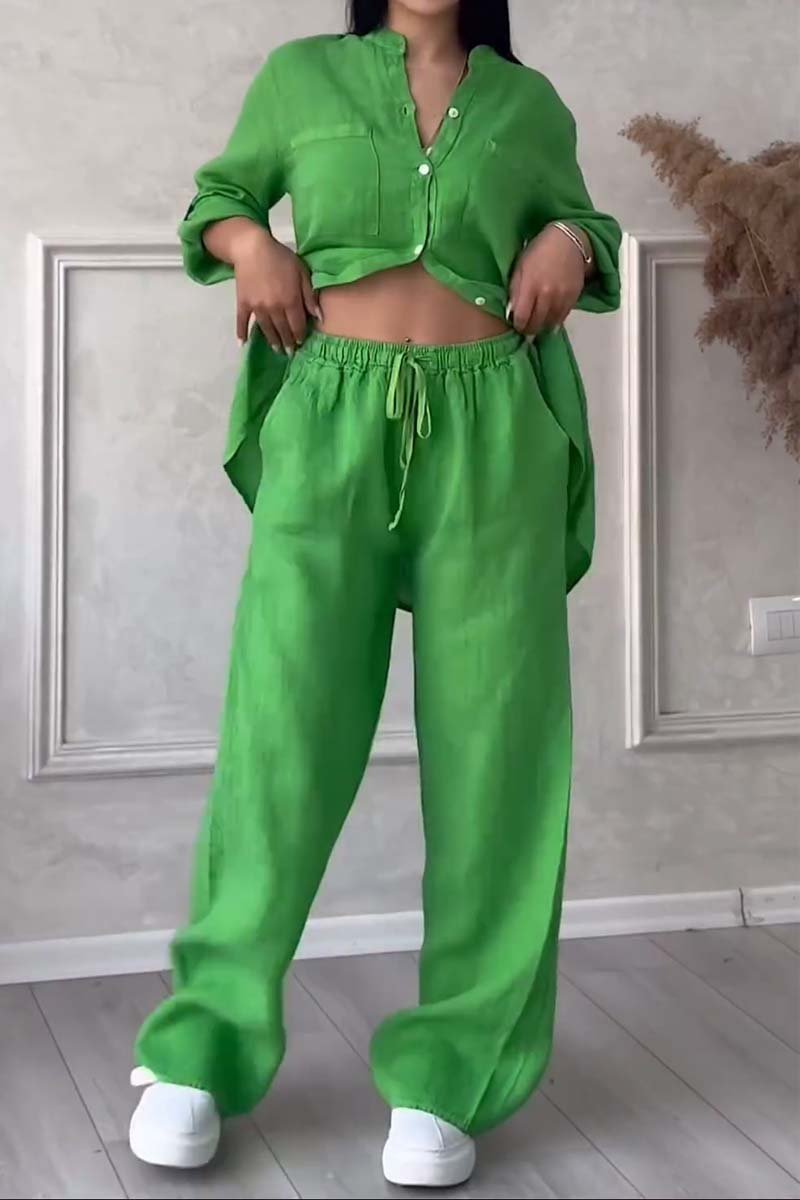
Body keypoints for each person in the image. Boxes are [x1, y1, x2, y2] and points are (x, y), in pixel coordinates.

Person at [128, 0, 622, 1187]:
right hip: (330, 418)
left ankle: (449, 1072)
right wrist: (252, 248)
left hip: (493, 429)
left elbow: (582, 220)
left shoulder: (524, 101)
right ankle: (201, 1047)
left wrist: (570, 239)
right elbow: (219, 198)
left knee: (496, 758)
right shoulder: (302, 77)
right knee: (281, 740)